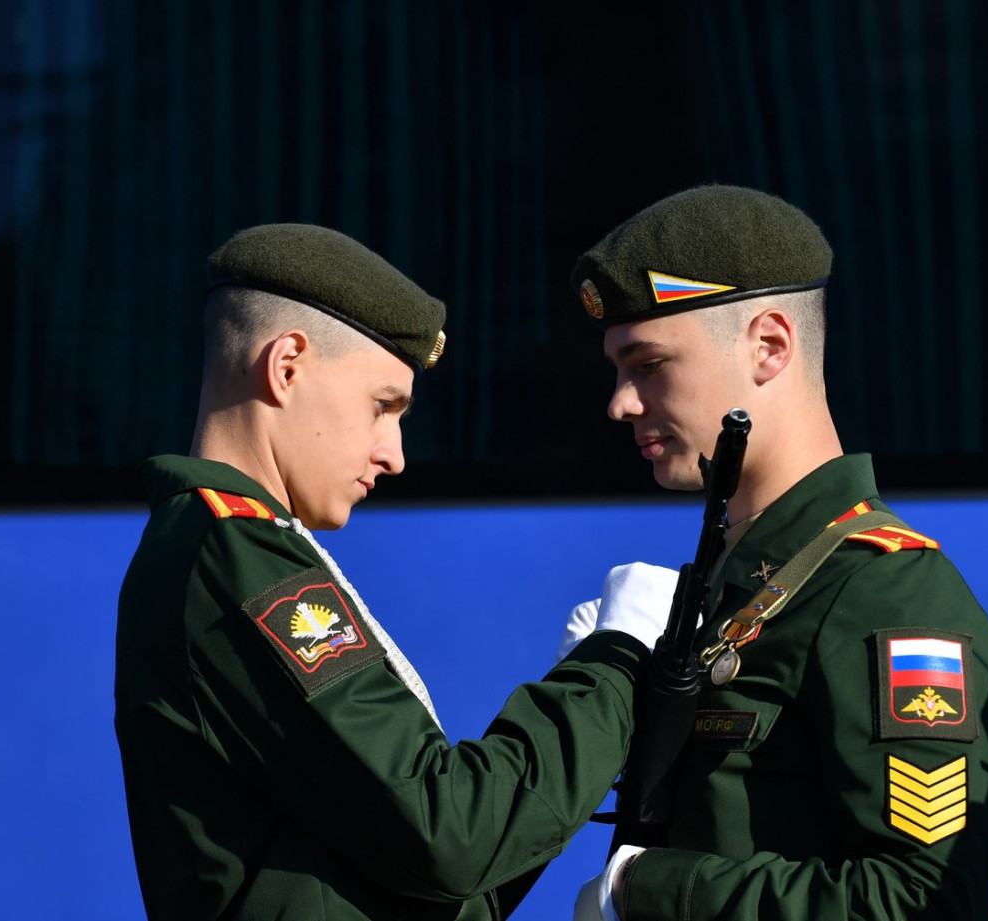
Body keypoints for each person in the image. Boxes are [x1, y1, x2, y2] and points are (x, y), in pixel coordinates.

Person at [114, 222, 680, 920]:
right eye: (382, 406)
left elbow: (443, 879)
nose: (395, 454)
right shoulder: (235, 554)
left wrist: (590, 696)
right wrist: (613, 667)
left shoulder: (224, 548)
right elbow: (451, 834)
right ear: (286, 366)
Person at [564, 186, 988, 920]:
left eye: (649, 364)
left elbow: (922, 901)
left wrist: (643, 889)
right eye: (618, 371)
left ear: (770, 346)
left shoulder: (885, 590)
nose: (621, 402)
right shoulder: (740, 586)